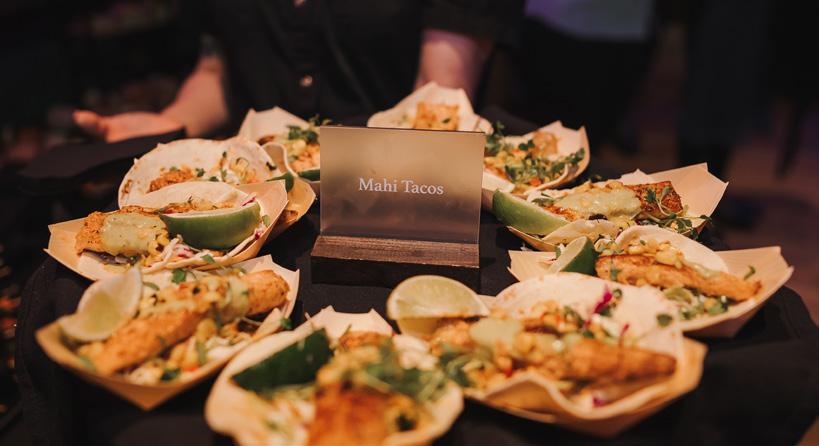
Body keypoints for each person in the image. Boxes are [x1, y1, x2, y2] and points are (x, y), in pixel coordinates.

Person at [73, 0, 522, 142]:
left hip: (389, 200)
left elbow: (439, 104)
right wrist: (173, 122)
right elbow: (219, 73)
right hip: (261, 204)